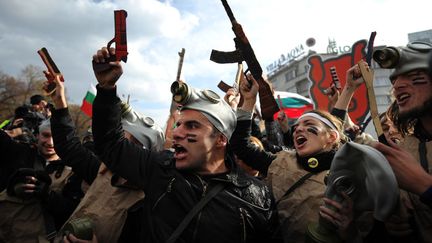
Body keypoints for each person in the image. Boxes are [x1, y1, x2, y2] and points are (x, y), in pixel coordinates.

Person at [88, 46, 281, 243]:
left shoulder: (258, 197)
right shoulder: (160, 169)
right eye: (179, 124)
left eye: (192, 126)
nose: (178, 133)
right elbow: (110, 144)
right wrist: (106, 89)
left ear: (221, 139)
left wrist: (247, 104)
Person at [229, 67, 362, 242]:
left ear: (331, 137)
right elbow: (241, 146)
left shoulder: (350, 170)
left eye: (308, 125)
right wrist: (249, 101)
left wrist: (348, 89)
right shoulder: (280, 162)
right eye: (296, 127)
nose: (299, 129)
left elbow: (335, 123)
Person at [44, 75, 164, 243]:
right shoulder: (103, 173)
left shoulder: (150, 205)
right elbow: (69, 147)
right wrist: (60, 104)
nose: (115, 150)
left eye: (124, 145)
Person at [372, 42, 432, 242]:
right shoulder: (404, 150)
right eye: (395, 78)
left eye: (412, 76)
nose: (397, 85)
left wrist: (424, 186)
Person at [0, 117, 85, 242]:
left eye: (55, 138)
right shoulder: (19, 152)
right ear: (37, 135)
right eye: (45, 135)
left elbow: (72, 212)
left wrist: (48, 195)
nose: (50, 142)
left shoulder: (73, 170)